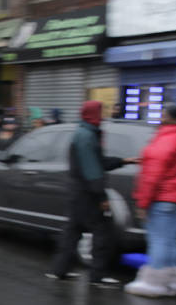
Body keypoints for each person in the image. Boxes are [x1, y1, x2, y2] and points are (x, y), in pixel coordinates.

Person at [47, 101, 137, 286]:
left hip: (78, 193)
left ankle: (59, 270)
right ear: (92, 114)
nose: (102, 116)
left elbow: (99, 161)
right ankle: (98, 276)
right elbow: (92, 170)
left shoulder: (86, 133)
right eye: (100, 112)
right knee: (103, 231)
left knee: (73, 232)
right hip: (87, 194)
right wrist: (102, 197)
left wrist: (124, 161)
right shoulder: (86, 136)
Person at [124, 105, 176, 297]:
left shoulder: (166, 139)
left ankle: (154, 283)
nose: (160, 117)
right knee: (172, 240)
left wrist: (143, 203)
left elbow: (152, 175)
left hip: (161, 199)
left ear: (169, 117)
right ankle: (173, 281)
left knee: (158, 240)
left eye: (163, 114)